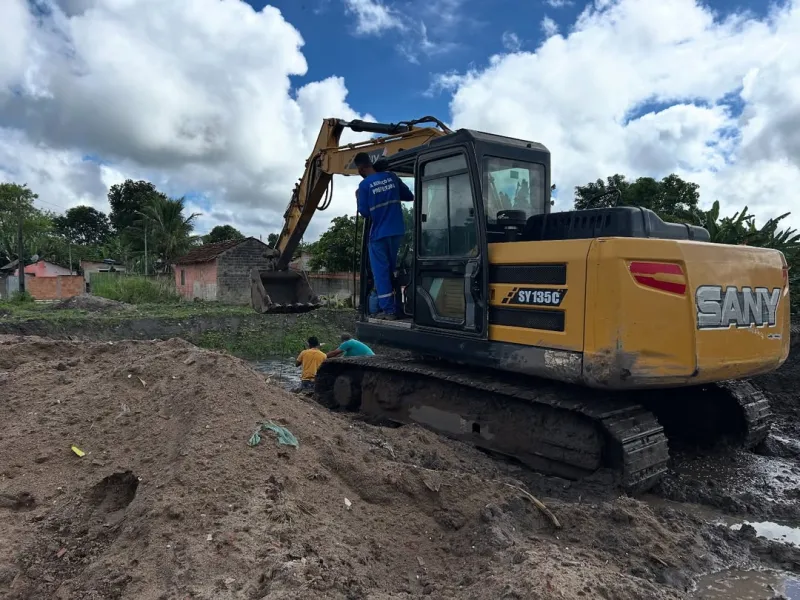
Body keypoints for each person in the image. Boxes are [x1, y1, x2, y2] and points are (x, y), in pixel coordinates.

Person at [354, 152, 414, 320]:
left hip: (379, 235)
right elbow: (409, 196)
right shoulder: (392, 177)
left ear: (361, 168)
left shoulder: (364, 185)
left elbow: (365, 212)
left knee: (381, 273)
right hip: (397, 231)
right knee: (391, 270)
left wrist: (359, 198)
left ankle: (389, 310)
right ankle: (395, 305)